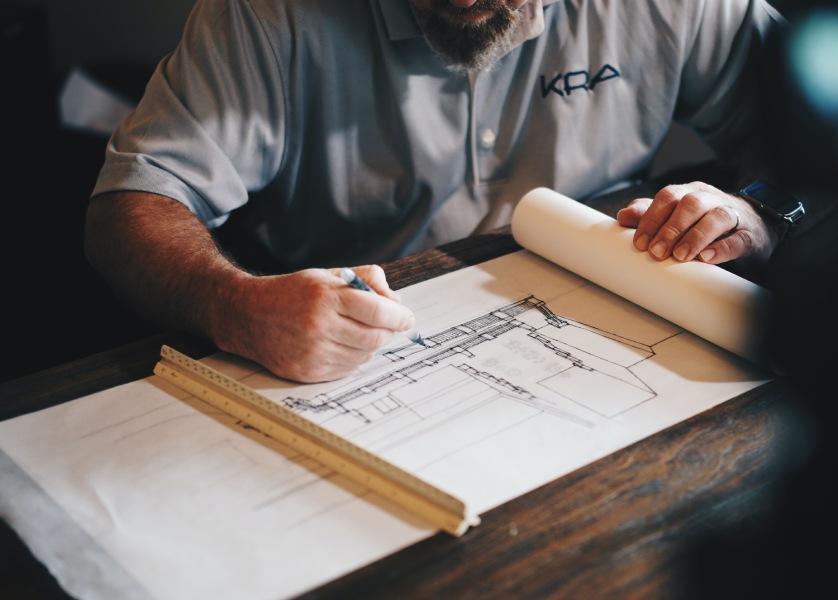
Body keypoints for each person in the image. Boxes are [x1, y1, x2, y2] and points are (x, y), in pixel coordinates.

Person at [85, 0, 788, 383]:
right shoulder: (267, 15)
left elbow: (833, 133)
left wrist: (758, 207)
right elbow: (131, 205)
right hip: (353, 346)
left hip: (625, 339)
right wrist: (231, 304)